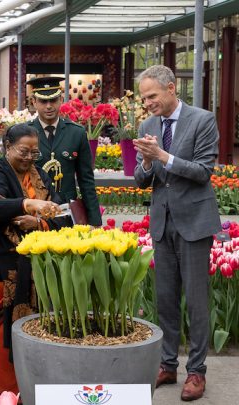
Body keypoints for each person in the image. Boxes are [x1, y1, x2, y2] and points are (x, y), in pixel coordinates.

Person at [133, 65, 220, 401]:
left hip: (194, 223)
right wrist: (145, 163)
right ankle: (167, 364)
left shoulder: (203, 120)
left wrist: (163, 156)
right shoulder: (147, 125)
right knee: (165, 300)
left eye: (152, 96)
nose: (148, 103)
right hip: (162, 222)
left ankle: (196, 372)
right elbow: (143, 180)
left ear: (171, 89)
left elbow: (203, 171)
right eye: (144, 98)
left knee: (197, 302)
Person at [0, 123, 69, 397]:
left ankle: (22, 393)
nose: (30, 158)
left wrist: (39, 223)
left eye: (35, 153)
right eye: (24, 151)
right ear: (7, 147)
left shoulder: (40, 177)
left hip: (31, 276)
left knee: (27, 337)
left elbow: (64, 216)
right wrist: (26, 204)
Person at [28, 76, 102, 226]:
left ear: (61, 100)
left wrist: (95, 220)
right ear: (34, 102)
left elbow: (86, 180)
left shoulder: (77, 133)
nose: (49, 106)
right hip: (34, 212)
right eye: (43, 101)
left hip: (66, 211)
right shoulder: (25, 134)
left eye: (53, 100)